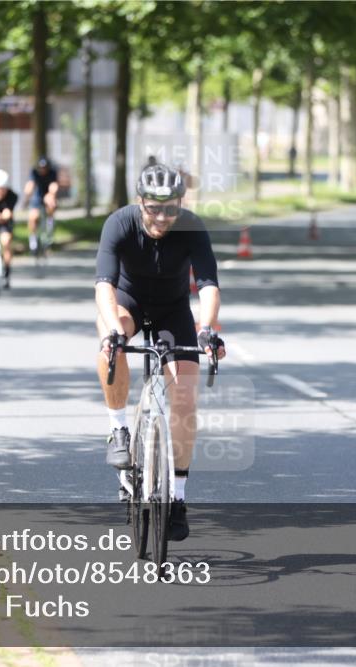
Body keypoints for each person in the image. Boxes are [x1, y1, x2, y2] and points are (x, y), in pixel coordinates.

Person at [94, 163, 226, 542]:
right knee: (111, 346)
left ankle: (179, 497)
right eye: (154, 208)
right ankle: (118, 429)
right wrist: (115, 331)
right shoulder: (119, 224)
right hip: (127, 303)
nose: (163, 218)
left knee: (185, 401)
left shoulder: (192, 227)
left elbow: (208, 285)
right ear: (140, 203)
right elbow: (103, 284)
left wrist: (206, 329)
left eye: (172, 209)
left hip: (172, 310)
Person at [23, 156, 59, 253]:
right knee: (33, 217)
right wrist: (26, 199)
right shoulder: (34, 172)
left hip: (48, 195)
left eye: (45, 167)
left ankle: (50, 227)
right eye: (41, 167)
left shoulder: (52, 172)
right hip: (37, 197)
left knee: (51, 204)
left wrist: (51, 196)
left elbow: (54, 186)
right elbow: (30, 185)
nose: (43, 170)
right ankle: (33, 239)